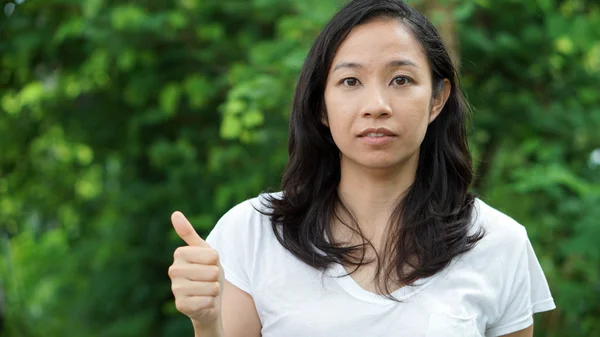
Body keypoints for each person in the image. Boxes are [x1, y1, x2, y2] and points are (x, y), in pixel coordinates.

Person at [167, 0, 556, 336]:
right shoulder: (250, 234)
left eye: (401, 79)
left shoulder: (499, 243)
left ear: (438, 99)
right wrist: (205, 322)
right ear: (320, 104)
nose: (377, 105)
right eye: (350, 81)